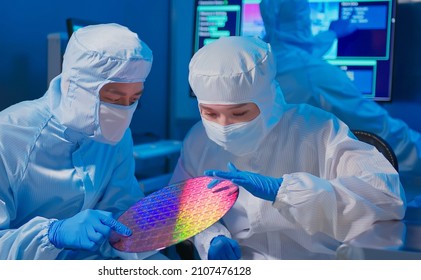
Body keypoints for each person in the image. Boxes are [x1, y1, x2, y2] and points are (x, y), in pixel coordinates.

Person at [0, 23, 160, 260]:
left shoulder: (117, 137)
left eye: (133, 99)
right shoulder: (1, 140)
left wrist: (157, 225)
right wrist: (52, 234)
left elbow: (121, 217)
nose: (123, 112)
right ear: (76, 86)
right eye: (113, 98)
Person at [169, 36, 406, 260]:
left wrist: (287, 191)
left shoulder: (318, 129)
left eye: (239, 113)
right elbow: (181, 206)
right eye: (210, 113)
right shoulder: (198, 140)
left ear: (267, 99)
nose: (224, 126)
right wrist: (210, 237)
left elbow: (386, 197)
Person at [259, 0, 421, 192]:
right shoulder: (314, 74)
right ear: (302, 20)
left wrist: (332, 33)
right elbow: (385, 134)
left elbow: (297, 56)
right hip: (307, 193)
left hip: (263, 186)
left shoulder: (260, 61)